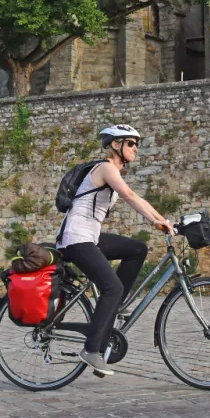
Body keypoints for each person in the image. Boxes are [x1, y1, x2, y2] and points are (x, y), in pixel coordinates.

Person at [57, 124, 175, 377]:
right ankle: (91, 350)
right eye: (130, 143)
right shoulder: (106, 168)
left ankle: (111, 309)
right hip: (76, 238)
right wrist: (154, 221)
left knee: (137, 249)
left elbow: (136, 197)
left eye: (136, 144)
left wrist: (162, 219)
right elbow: (129, 195)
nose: (135, 148)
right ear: (115, 145)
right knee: (113, 287)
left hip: (90, 236)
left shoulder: (112, 171)